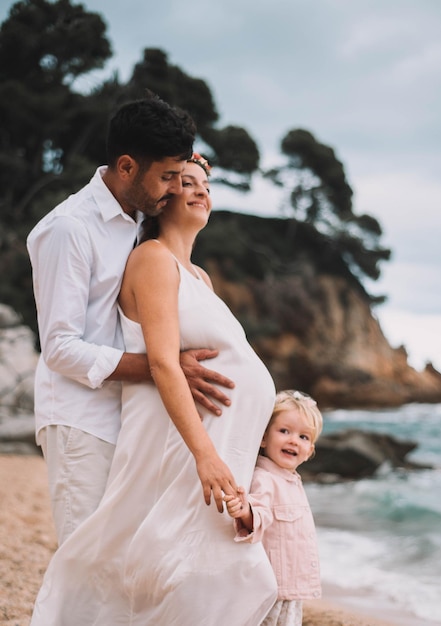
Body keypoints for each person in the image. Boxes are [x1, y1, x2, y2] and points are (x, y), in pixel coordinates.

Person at [30, 155, 278, 625]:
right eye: (183, 182)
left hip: (201, 445)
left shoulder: (198, 276)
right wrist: (205, 454)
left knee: (184, 570)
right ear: (162, 196)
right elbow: (161, 361)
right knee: (111, 565)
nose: (201, 190)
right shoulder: (142, 256)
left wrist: (189, 164)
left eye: (206, 184)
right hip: (160, 438)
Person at [26, 94, 234, 545]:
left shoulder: (144, 218)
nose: (176, 189)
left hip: (133, 417)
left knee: (124, 564)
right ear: (126, 168)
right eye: (166, 177)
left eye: (180, 177)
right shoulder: (68, 229)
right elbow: (59, 347)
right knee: (87, 559)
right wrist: (165, 367)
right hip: (80, 420)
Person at [225, 389, 323, 626]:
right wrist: (244, 511)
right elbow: (260, 513)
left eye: (303, 437)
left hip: (289, 585)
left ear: (309, 451)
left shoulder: (290, 479)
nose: (293, 440)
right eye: (284, 431)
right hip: (272, 589)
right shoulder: (265, 478)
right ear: (263, 437)